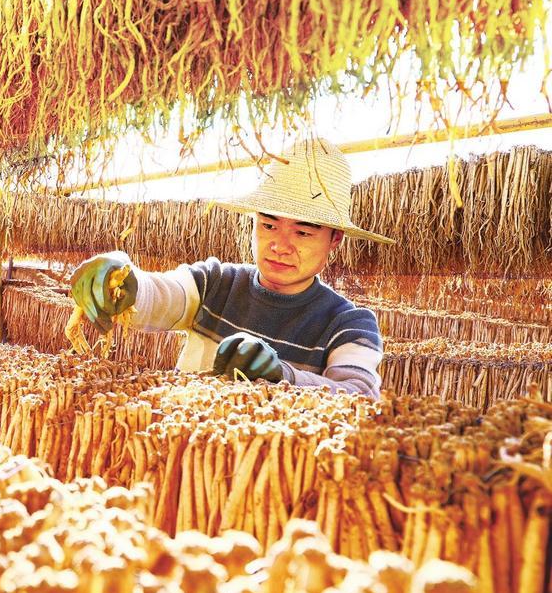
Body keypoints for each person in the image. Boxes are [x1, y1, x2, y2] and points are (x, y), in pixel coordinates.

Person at [69, 138, 394, 399]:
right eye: (268, 225)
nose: (280, 245)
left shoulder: (349, 325)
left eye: (303, 232)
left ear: (334, 238)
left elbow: (359, 395)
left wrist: (282, 375)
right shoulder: (215, 283)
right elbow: (160, 296)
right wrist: (124, 281)